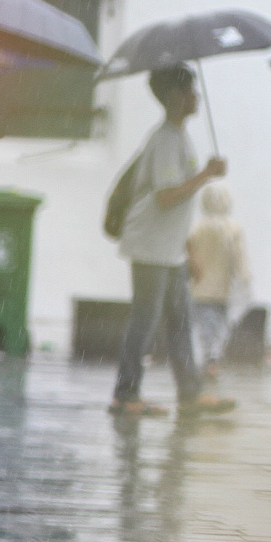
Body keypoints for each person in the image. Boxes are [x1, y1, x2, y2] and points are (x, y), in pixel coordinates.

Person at [111, 66, 236, 419]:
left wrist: (187, 251)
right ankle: (125, 394)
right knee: (145, 321)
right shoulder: (165, 139)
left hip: (167, 250)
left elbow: (174, 205)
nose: (196, 96)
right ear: (174, 97)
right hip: (150, 247)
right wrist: (206, 175)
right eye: (190, 90)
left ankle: (190, 392)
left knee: (180, 321)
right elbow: (166, 197)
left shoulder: (179, 136)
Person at [186, 183, 250, 382]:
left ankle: (206, 360)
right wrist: (244, 281)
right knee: (220, 327)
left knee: (204, 327)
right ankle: (212, 360)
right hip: (223, 290)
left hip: (199, 288)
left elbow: (188, 253)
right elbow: (240, 262)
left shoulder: (196, 227)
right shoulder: (233, 229)